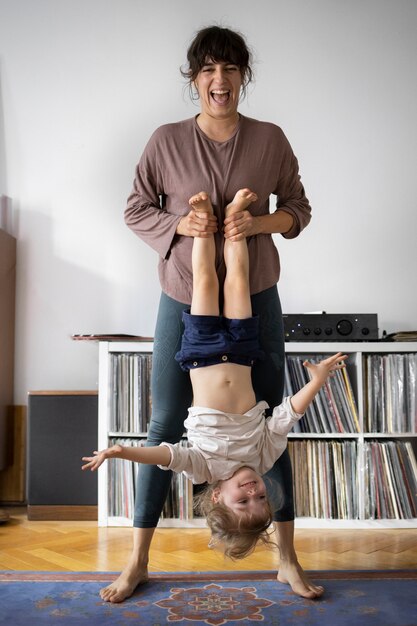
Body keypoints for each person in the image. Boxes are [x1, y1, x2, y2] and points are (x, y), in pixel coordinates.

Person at [103, 24, 319, 603]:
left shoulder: (270, 138)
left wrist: (259, 224)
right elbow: (136, 208)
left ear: (243, 76)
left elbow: (297, 209)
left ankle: (286, 559)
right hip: (184, 294)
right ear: (194, 78)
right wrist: (181, 223)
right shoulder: (165, 140)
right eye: (208, 71)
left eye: (229, 70)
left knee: (272, 429)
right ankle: (137, 560)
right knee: (162, 423)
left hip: (257, 295)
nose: (219, 81)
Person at [83, 189, 347, 560]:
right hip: (242, 354)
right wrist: (317, 381)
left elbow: (164, 455)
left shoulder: (203, 469)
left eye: (244, 500)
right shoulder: (263, 458)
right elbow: (287, 415)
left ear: (219, 497)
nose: (254, 490)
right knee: (238, 279)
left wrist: (120, 451)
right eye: (261, 497)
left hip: (201, 355)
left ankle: (204, 224)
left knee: (204, 281)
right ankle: (238, 213)